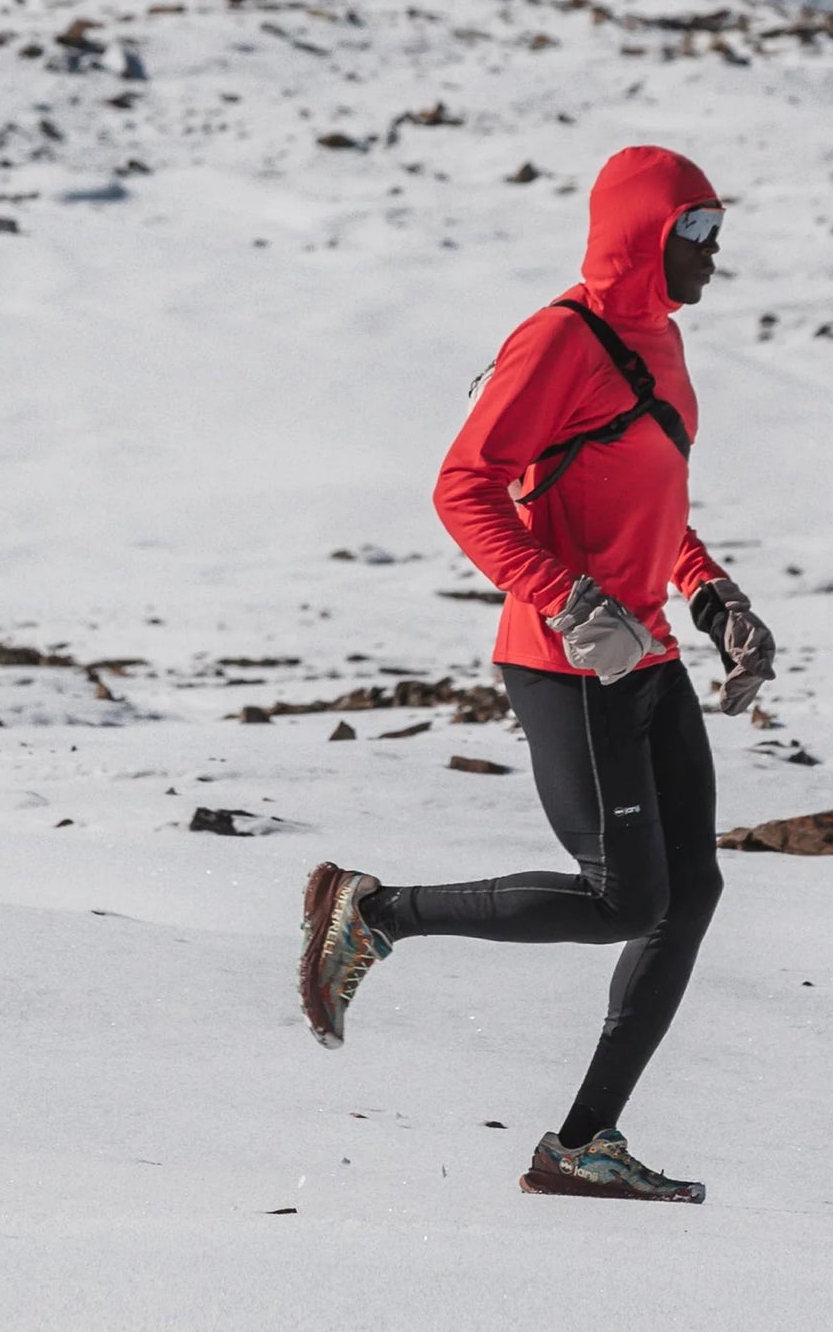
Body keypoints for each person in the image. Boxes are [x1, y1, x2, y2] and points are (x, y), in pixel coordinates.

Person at [299, 146, 775, 1202]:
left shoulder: (661, 344)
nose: (711, 252)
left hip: (644, 653)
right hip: (568, 662)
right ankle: (375, 912)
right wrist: (565, 599)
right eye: (693, 229)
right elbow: (463, 487)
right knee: (622, 897)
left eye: (715, 229)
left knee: (687, 890)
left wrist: (713, 600)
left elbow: (650, 504)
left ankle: (583, 1139)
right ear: (644, 234)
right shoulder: (560, 338)